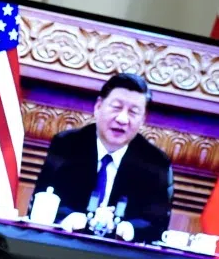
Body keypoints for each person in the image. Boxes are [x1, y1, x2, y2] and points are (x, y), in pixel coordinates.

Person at [31, 73, 173, 244]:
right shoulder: (67, 145)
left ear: (143, 119)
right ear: (98, 106)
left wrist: (129, 229)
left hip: (120, 258)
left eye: (133, 112)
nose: (122, 119)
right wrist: (70, 218)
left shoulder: (155, 162)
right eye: (116, 107)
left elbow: (156, 224)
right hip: (65, 245)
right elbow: (43, 199)